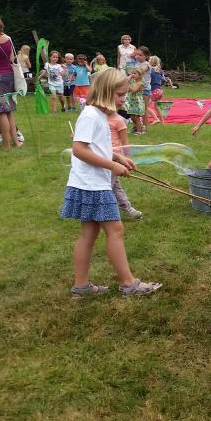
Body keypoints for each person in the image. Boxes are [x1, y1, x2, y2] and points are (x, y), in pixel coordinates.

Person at [61, 68, 161, 297]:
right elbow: (79, 149)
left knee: (89, 233)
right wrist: (112, 166)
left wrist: (118, 157)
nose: (123, 100)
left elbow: (97, 147)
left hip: (89, 183)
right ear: (106, 93)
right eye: (120, 95)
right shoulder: (90, 116)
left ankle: (81, 286)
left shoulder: (98, 115)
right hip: (93, 185)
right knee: (115, 229)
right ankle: (128, 284)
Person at [108, 95, 143, 220]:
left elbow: (125, 142)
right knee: (113, 185)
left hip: (115, 158)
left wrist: (127, 158)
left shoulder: (118, 120)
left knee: (110, 184)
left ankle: (122, 209)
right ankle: (126, 208)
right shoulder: (98, 119)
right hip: (101, 157)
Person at [0, 17, 21, 148]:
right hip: (9, 75)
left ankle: (6, 144)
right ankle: (16, 142)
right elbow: (12, 58)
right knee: (9, 110)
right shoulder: (8, 38)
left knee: (1, 111)